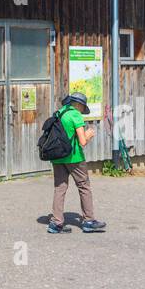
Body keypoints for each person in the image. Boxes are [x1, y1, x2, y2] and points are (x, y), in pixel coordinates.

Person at [48, 92, 105, 234]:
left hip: (58, 156)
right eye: (82, 107)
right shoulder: (75, 115)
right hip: (74, 158)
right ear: (79, 105)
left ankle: (56, 223)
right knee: (84, 186)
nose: (82, 110)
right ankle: (89, 221)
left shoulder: (60, 113)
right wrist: (89, 134)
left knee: (60, 188)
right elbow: (82, 141)